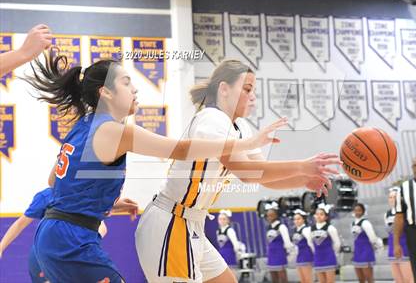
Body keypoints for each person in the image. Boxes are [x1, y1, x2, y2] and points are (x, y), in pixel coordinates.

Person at [23, 52, 285, 283]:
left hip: (51, 236)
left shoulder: (82, 125)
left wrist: (104, 204)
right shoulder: (114, 130)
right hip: (72, 240)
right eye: (126, 82)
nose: (134, 89)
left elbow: (54, 181)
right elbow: (182, 149)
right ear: (105, 92)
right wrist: (248, 142)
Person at [136, 59, 341, 283]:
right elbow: (246, 171)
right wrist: (303, 166)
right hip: (170, 222)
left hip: (192, 223)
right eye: (247, 89)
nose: (252, 96)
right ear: (224, 89)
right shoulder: (212, 118)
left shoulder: (241, 127)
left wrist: (302, 179)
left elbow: (262, 177)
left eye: (253, 90)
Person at [395, 156, 416, 282]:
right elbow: (399, 217)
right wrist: (396, 243)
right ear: (412, 168)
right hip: (414, 233)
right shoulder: (404, 188)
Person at [385, 188, 414, 283]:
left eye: (394, 197)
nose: (392, 199)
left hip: (405, 248)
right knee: (397, 280)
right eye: (390, 197)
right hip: (392, 249)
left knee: (409, 279)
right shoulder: (386, 214)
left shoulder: (407, 212)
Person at [351, 203, 383, 283]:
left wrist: (378, 247)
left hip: (366, 251)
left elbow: (373, 238)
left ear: (363, 211)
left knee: (369, 278)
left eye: (359, 210)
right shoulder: (353, 223)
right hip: (357, 252)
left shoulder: (366, 223)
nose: (357, 212)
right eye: (355, 210)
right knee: (360, 279)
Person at [311, 203, 340, 283]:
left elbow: (337, 243)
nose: (318, 216)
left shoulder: (330, 228)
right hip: (318, 258)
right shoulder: (311, 228)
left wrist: (333, 253)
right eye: (317, 214)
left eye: (321, 214)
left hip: (329, 257)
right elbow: (311, 244)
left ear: (326, 217)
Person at [265, 204, 294, 283]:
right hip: (271, 254)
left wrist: (289, 254)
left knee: (282, 277)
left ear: (276, 215)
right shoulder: (268, 227)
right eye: (268, 216)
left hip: (279, 254)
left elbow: (287, 242)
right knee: (273, 277)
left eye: (271, 215)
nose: (269, 218)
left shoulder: (282, 227)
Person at [292, 209, 314, 283]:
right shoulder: (296, 230)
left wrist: (315, 254)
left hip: (306, 255)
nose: (296, 221)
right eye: (295, 219)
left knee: (308, 279)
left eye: (298, 219)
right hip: (299, 256)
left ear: (304, 219)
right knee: (302, 280)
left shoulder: (306, 229)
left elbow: (311, 243)